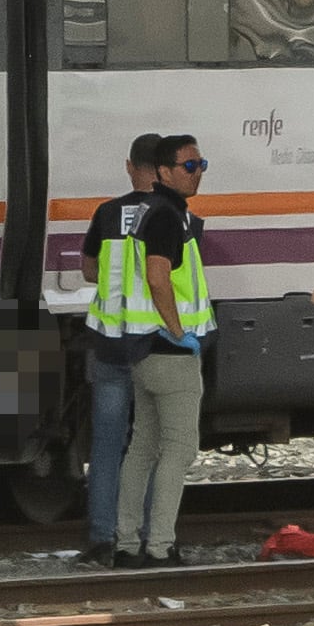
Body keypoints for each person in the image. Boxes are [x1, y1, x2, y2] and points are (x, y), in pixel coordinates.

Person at [113, 135, 216, 567]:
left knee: (142, 448)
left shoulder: (148, 214)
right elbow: (158, 277)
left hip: (143, 350)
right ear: (163, 173)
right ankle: (158, 546)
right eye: (189, 166)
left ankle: (125, 544)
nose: (198, 174)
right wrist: (179, 332)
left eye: (201, 164)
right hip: (171, 354)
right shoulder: (167, 218)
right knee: (179, 449)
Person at [76, 130, 175, 566]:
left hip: (111, 344)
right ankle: (150, 537)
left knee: (107, 443)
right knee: (152, 442)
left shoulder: (107, 213)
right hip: (155, 345)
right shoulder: (174, 215)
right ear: (165, 170)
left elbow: (89, 272)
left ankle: (102, 538)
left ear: (130, 167)